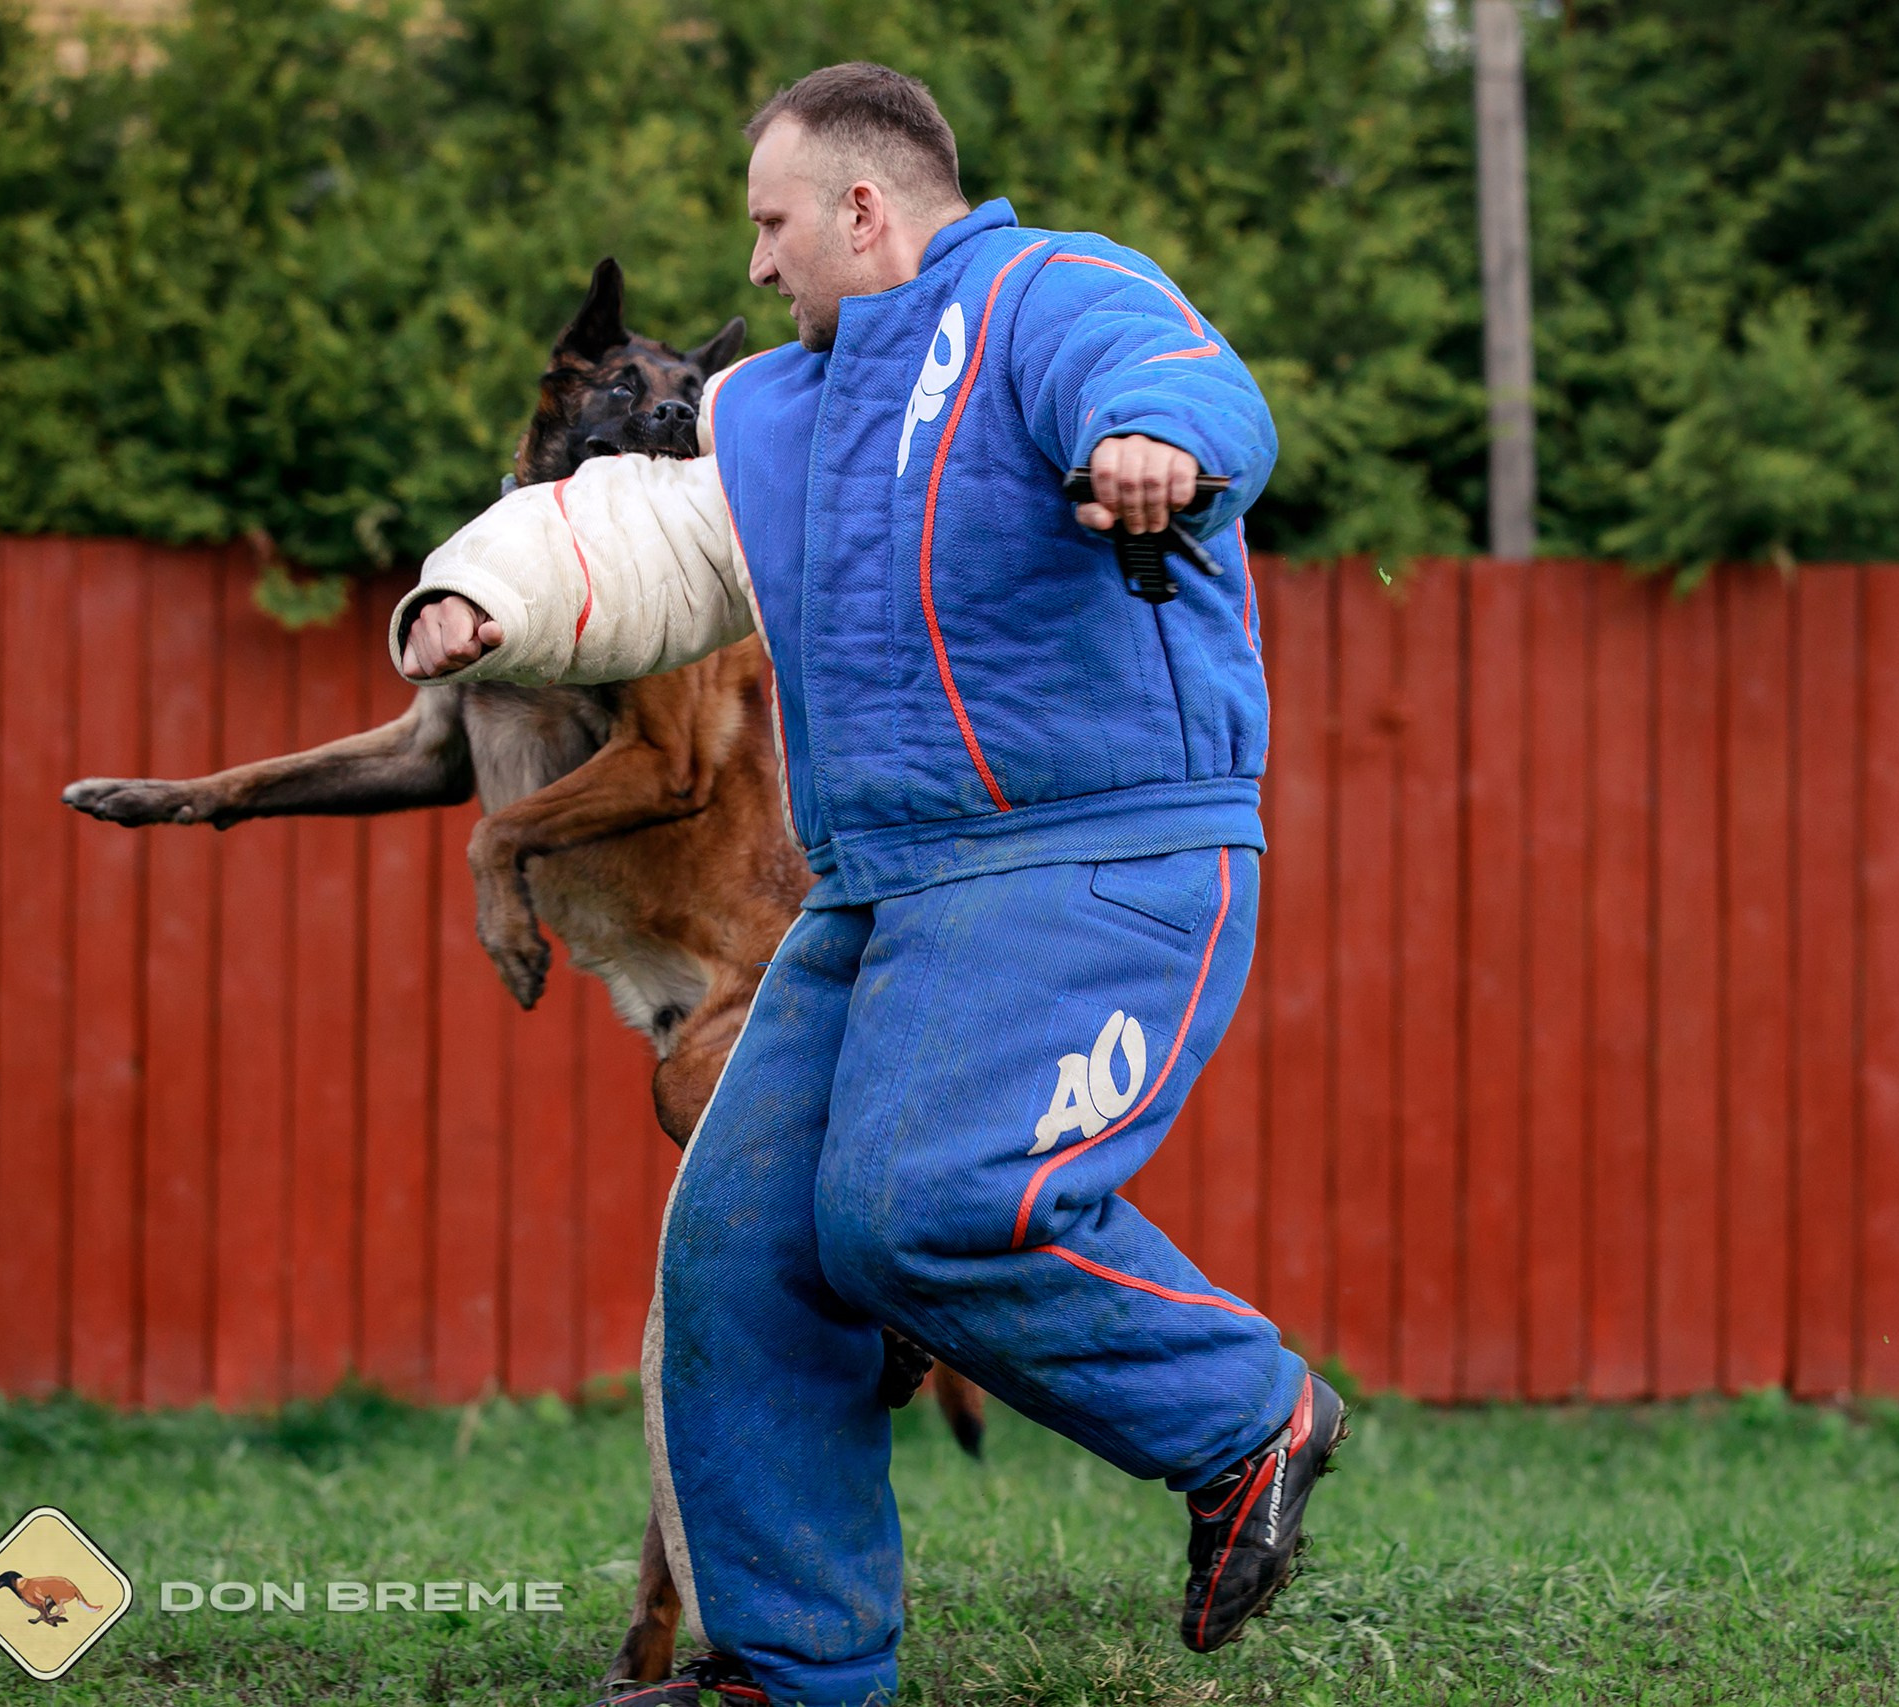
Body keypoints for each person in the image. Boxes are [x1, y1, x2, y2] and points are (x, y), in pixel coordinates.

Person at [392, 61, 1343, 1707]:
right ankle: (795, 1668)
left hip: (1094, 854)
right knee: (742, 1243)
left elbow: (1186, 385)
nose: (755, 266)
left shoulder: (1056, 294)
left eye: (770, 224)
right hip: (879, 887)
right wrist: (483, 598)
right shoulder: (776, 407)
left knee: (924, 1211)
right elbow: (655, 539)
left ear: (860, 207)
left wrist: (1145, 445)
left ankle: (1244, 1417)